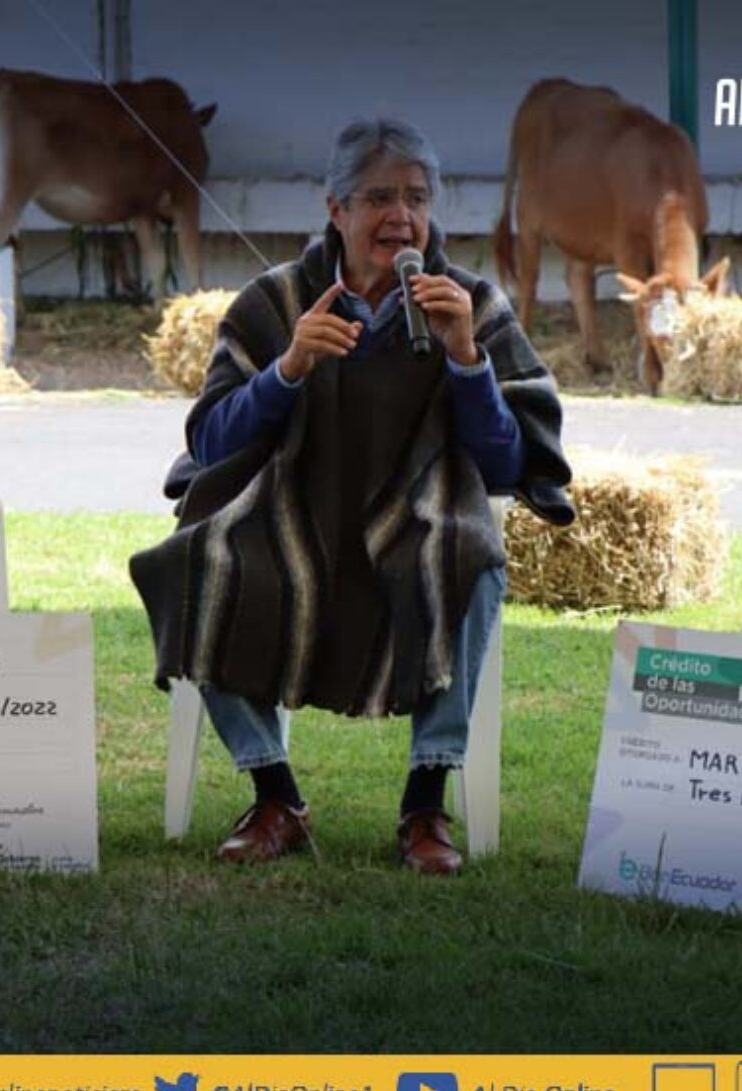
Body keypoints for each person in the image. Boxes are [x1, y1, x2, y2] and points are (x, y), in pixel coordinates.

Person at [131, 119, 575, 875]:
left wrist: (466, 358)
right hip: (291, 518)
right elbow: (212, 442)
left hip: (416, 514)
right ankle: (276, 796)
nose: (401, 217)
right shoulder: (275, 301)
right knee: (194, 563)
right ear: (335, 208)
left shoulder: (470, 302)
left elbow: (507, 464)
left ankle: (425, 805)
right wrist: (290, 367)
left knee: (468, 557)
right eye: (378, 197)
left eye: (416, 198)